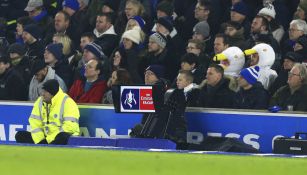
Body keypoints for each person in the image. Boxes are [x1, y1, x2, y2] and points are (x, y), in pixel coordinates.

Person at [15, 79, 80, 145]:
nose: (42, 94)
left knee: (63, 136)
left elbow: (69, 128)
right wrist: (41, 141)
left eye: (45, 92)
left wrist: (48, 140)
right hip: (45, 138)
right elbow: (35, 123)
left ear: (52, 93)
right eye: (43, 91)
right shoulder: (40, 101)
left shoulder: (68, 102)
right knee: (20, 135)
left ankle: (47, 150)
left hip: (60, 137)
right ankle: (41, 150)